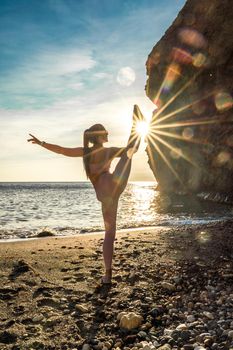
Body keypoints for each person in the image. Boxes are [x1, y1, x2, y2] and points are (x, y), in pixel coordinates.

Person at [28, 104, 145, 284]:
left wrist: (41, 143)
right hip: (114, 185)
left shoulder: (86, 153)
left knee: (109, 233)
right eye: (105, 132)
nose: (107, 134)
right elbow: (129, 151)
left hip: (104, 194)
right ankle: (137, 125)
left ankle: (107, 275)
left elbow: (61, 150)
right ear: (98, 135)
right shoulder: (107, 150)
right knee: (129, 153)